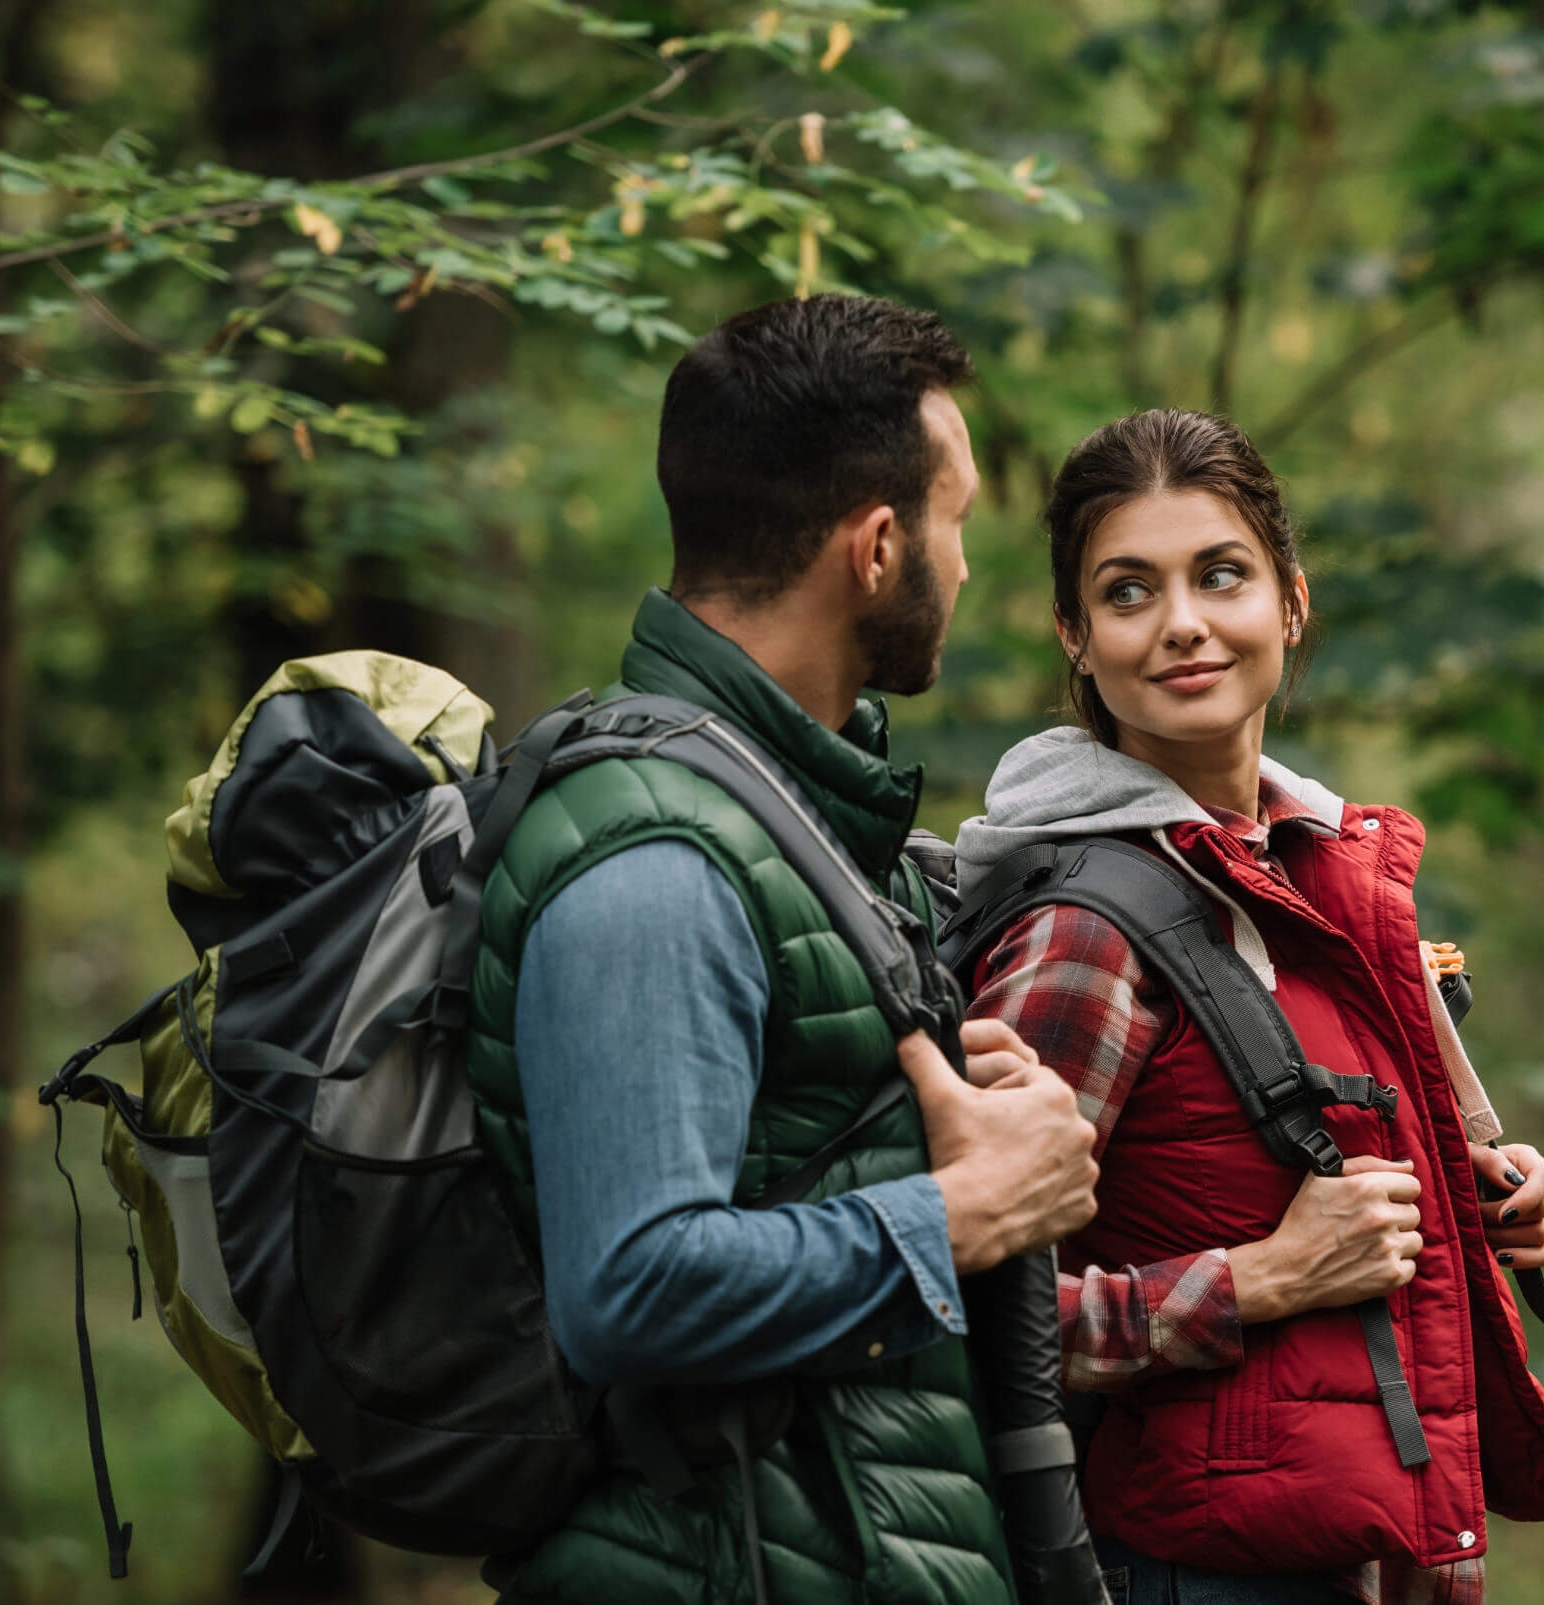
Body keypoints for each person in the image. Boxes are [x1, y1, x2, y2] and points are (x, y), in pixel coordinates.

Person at [463, 294, 1102, 1605]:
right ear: (875, 547)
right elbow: (633, 1285)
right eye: (957, 519)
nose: (967, 563)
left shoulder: (797, 820)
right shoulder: (653, 862)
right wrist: (969, 1210)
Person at [955, 409, 1544, 1604]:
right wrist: (1259, 1280)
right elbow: (967, 1315)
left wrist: (1477, 1197)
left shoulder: (1310, 872)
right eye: (1129, 592)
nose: (1183, 622)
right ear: (1076, 640)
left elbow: (1328, 1192)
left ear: (1291, 602)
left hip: (1340, 1548)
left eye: (1221, 575)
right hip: (1166, 1568)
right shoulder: (1086, 929)